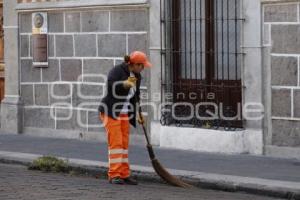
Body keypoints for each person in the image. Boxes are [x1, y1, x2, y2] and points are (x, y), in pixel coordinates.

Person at [98, 51, 152, 185]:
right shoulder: (117, 71)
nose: (143, 68)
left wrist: (139, 114)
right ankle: (114, 175)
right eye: (142, 66)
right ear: (135, 64)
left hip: (124, 113)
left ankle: (124, 174)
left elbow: (136, 96)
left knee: (123, 144)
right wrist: (124, 85)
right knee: (116, 144)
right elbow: (111, 88)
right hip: (111, 111)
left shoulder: (137, 76)